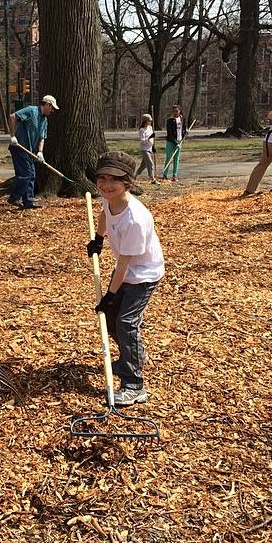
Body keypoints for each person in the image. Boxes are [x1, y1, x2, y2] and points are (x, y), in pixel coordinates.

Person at [86, 151, 165, 407]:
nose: (106, 185)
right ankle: (134, 355)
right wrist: (98, 239)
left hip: (143, 275)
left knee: (126, 321)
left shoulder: (135, 219)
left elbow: (123, 267)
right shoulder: (111, 202)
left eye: (114, 180)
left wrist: (109, 296)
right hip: (126, 270)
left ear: (127, 183)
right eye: (103, 178)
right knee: (109, 319)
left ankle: (134, 385)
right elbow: (103, 216)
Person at [7, 95, 59, 209]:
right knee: (25, 174)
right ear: (47, 105)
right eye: (52, 108)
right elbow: (12, 116)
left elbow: (42, 137)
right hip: (19, 148)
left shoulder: (44, 120)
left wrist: (40, 152)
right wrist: (12, 136)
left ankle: (28, 202)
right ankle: (14, 197)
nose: (53, 111)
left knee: (32, 176)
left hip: (31, 151)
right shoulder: (31, 111)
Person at [163, 104, 186, 182]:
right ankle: (165, 174)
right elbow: (169, 133)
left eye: (177, 111)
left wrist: (185, 134)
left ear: (180, 111)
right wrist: (175, 142)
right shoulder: (170, 120)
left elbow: (184, 129)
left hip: (179, 141)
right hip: (171, 141)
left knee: (177, 158)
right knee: (169, 157)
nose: (175, 113)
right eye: (174, 111)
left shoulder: (182, 119)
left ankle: (174, 175)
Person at [135, 114, 159, 184]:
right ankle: (152, 179)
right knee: (150, 164)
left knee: (143, 165)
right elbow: (142, 140)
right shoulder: (142, 130)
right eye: (149, 121)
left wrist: (153, 146)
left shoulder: (150, 128)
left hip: (150, 148)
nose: (151, 122)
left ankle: (135, 176)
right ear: (145, 121)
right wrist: (149, 138)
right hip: (144, 149)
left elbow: (152, 139)